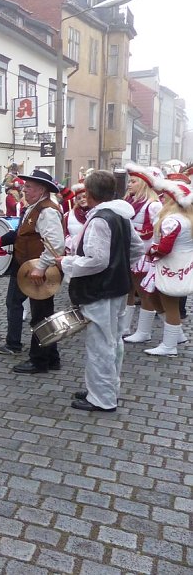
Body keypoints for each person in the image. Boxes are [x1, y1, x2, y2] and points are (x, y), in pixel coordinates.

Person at [58, 170, 145, 412]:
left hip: (100, 290)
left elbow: (96, 260)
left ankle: (102, 398)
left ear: (89, 192)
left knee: (101, 345)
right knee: (113, 342)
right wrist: (119, 267)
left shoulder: (100, 219)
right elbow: (136, 249)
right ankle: (104, 389)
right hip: (117, 288)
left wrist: (64, 263)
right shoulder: (121, 216)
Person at [0, 170, 65, 373]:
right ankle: (51, 358)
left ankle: (39, 361)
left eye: (29, 187)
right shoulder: (36, 207)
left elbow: (56, 244)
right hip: (34, 270)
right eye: (25, 186)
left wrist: (40, 267)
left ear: (41, 190)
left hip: (40, 272)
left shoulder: (47, 211)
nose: (24, 189)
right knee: (44, 315)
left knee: (41, 316)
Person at [135, 178, 193, 356]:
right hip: (177, 264)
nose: (162, 198)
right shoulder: (186, 218)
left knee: (170, 304)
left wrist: (151, 251)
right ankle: (178, 335)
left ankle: (169, 345)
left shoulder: (173, 220)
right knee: (153, 295)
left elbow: (164, 248)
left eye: (166, 196)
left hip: (169, 265)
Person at [120, 164, 163, 340]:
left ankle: (143, 332)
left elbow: (159, 232)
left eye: (133, 181)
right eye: (129, 181)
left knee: (145, 293)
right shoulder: (128, 202)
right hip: (130, 253)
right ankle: (124, 327)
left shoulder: (153, 206)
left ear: (144, 184)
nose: (129, 184)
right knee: (127, 290)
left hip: (144, 255)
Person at [62, 184, 88, 254]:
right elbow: (65, 233)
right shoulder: (69, 215)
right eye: (79, 198)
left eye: (84, 197)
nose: (82, 200)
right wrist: (71, 245)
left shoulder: (96, 213)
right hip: (74, 253)